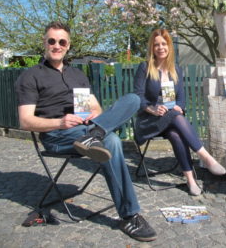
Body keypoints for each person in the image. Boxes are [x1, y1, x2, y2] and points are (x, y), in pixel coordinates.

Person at [14, 21, 157, 242]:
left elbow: (96, 108)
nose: (56, 45)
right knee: (113, 142)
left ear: (68, 45)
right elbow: (25, 121)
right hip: (57, 135)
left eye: (62, 42)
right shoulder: (31, 76)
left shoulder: (77, 75)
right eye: (52, 41)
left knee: (134, 99)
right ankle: (129, 215)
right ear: (44, 42)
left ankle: (95, 135)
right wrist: (60, 122)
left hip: (86, 128)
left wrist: (92, 117)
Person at [133, 29, 226, 196]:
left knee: (176, 132)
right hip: (148, 120)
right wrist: (152, 109)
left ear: (169, 46)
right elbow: (137, 96)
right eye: (156, 45)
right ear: (152, 48)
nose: (160, 47)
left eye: (164, 44)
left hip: (169, 119)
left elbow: (181, 98)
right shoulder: (144, 67)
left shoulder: (176, 69)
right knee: (176, 116)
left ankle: (191, 180)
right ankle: (205, 157)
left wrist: (179, 107)